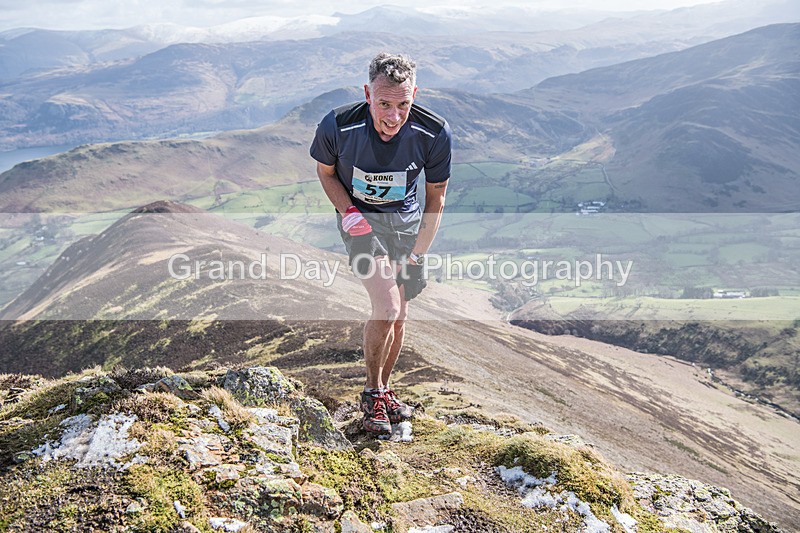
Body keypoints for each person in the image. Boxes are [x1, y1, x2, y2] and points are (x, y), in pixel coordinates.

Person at [309, 52, 452, 435]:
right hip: (360, 223)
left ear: (415, 95)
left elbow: (436, 197)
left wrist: (419, 255)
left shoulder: (433, 133)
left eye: (403, 104)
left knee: (400, 314)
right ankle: (371, 394)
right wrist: (348, 212)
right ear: (367, 94)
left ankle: (385, 390)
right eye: (384, 104)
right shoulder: (338, 126)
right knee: (386, 305)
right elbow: (325, 173)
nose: (393, 116)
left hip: (404, 226)